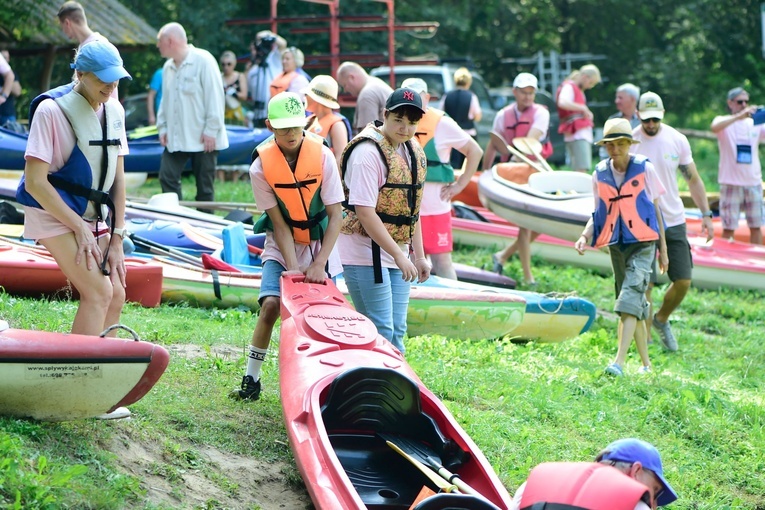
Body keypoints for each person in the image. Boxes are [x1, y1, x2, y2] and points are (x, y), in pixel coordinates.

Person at [229, 92, 344, 401]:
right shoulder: (260, 167)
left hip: (321, 243)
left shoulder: (323, 156)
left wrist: (319, 262)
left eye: (296, 127)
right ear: (270, 126)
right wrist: (292, 268)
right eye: (283, 128)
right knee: (270, 306)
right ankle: (251, 380)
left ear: (306, 123)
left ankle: (320, 386)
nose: (291, 134)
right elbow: (279, 224)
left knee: (319, 317)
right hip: (283, 244)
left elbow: (336, 216)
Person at [15, 40, 131, 337]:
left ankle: (103, 375)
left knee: (116, 292)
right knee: (98, 291)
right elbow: (35, 183)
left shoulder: (114, 110)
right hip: (51, 209)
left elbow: (118, 181)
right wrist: (77, 226)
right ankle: (80, 374)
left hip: (93, 214)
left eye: (115, 77)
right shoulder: (50, 112)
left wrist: (116, 238)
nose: (111, 85)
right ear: (80, 74)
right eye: (102, 78)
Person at [338, 88, 431, 353]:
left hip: (396, 251)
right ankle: (370, 389)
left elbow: (412, 208)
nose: (405, 128)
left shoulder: (411, 150)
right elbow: (365, 212)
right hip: (365, 253)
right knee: (380, 330)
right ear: (385, 114)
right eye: (398, 119)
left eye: (412, 122)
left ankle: (395, 390)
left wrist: (419, 256)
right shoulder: (367, 154)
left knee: (397, 331)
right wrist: (401, 257)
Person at [575, 118, 667, 376]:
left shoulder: (645, 169)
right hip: (617, 244)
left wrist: (664, 252)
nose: (615, 149)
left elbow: (657, 211)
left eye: (620, 144)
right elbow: (597, 212)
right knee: (633, 303)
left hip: (643, 243)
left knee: (629, 299)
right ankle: (647, 366)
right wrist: (584, 236)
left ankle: (618, 363)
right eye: (610, 145)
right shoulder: (599, 173)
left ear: (629, 144)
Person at [632, 91, 714, 352]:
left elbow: (693, 179)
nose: (651, 125)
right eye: (646, 120)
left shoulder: (677, 140)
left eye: (655, 119)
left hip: (673, 218)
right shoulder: (630, 141)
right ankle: (645, 337)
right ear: (638, 116)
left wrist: (706, 214)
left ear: (663, 115)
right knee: (647, 282)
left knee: (683, 279)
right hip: (642, 220)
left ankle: (661, 319)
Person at [402, 77, 482, 280]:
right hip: (405, 208)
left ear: (426, 98)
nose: (411, 101)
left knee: (442, 261)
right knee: (410, 262)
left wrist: (460, 184)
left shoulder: (442, 123)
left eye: (416, 96)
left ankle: (454, 303)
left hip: (436, 206)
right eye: (406, 95)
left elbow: (475, 151)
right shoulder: (395, 122)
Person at [156, 22, 228, 212]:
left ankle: (205, 225)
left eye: (159, 42)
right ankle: (176, 219)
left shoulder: (204, 60)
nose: (157, 46)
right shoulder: (167, 67)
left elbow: (215, 96)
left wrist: (212, 130)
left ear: (170, 41)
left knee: (205, 188)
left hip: (205, 137)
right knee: (167, 176)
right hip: (177, 136)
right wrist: (162, 127)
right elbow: (165, 100)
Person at [487, 73, 551, 286]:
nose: (528, 96)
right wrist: (485, 171)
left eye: (531, 92)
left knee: (540, 223)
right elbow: (494, 143)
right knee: (525, 223)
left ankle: (503, 255)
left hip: (536, 169)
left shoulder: (541, 113)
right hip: (513, 172)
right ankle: (528, 276)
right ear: (514, 92)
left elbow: (531, 139)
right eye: (523, 92)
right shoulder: (503, 115)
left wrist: (515, 156)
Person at [512, 438, 678, 509]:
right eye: (655, 491)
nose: (654, 505)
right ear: (636, 471)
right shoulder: (637, 506)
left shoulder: (533, 485)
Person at [710, 86, 765, 245]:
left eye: (746, 102)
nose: (744, 105)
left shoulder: (755, 123)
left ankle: (757, 262)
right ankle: (725, 259)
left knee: (756, 226)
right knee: (728, 228)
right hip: (731, 183)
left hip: (752, 182)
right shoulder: (724, 121)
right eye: (740, 102)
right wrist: (739, 116)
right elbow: (715, 127)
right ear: (730, 103)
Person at [556, 64, 601, 172]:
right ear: (585, 77)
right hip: (577, 134)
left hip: (579, 133)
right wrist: (583, 108)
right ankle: (579, 189)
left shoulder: (576, 89)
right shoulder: (569, 86)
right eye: (590, 83)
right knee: (581, 168)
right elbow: (562, 102)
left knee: (581, 168)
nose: (589, 86)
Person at [303, 74, 351, 165]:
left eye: (307, 94)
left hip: (326, 178)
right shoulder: (309, 121)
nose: (304, 97)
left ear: (315, 99)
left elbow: (340, 159)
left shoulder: (337, 125)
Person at [440, 67, 483, 169]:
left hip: (450, 135)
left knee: (453, 165)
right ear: (469, 82)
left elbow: (441, 113)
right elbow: (477, 116)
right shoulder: (471, 96)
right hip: (468, 135)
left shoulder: (447, 96)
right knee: (469, 166)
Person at [336, 61, 393, 134]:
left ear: (351, 77)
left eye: (344, 85)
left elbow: (368, 135)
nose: (345, 90)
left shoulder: (366, 95)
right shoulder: (376, 83)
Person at [246, 30, 287, 127]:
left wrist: (267, 36)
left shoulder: (273, 60)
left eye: (257, 49)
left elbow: (283, 44)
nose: (256, 52)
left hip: (276, 114)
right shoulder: (251, 72)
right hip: (258, 115)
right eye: (253, 49)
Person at [599, 83, 641, 160]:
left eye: (620, 98)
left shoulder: (643, 121)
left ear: (632, 99)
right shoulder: (612, 120)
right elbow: (605, 145)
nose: (616, 101)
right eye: (617, 98)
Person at [220, 50, 248, 126]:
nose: (226, 67)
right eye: (223, 64)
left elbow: (244, 96)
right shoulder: (219, 77)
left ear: (234, 64)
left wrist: (234, 94)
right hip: (222, 113)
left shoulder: (240, 76)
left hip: (236, 113)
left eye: (229, 64)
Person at [0, 50, 20, 127]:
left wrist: (3, 94)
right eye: (3, 57)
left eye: (6, 57)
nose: (4, 59)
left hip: (7, 113)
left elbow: (17, 91)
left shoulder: (11, 73)